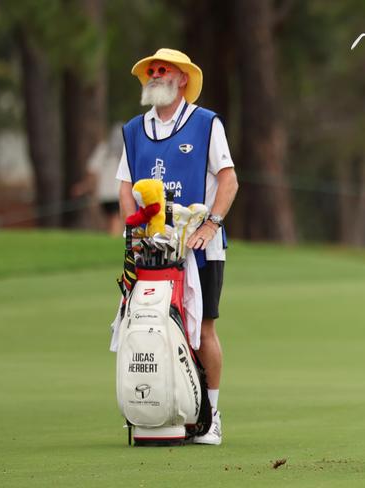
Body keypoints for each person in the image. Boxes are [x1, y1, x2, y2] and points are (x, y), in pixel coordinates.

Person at [117, 48, 239, 445]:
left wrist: (212, 224)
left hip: (200, 245)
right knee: (151, 325)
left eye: (163, 69)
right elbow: (125, 186)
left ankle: (211, 416)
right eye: (150, 70)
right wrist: (132, 231)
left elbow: (228, 180)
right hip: (150, 247)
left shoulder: (205, 123)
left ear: (182, 78)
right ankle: (163, 409)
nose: (155, 74)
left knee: (202, 329)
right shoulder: (135, 129)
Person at [72, 122, 124, 236]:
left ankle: (112, 240)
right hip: (116, 193)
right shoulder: (125, 151)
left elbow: (92, 171)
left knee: (112, 220)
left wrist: (83, 188)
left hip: (104, 194)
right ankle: (114, 243)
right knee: (115, 220)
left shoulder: (103, 150)